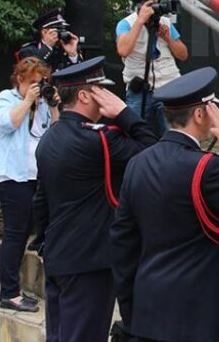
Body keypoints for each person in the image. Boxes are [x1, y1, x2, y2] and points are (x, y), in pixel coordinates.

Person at [111, 67, 219, 342]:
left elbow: (123, 244)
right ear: (200, 114)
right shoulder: (206, 168)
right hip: (195, 316)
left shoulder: (138, 164)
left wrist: (132, 314)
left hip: (147, 312)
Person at [33, 56, 156, 342]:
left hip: (60, 253)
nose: (108, 97)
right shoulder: (97, 140)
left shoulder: (51, 136)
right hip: (90, 260)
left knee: (61, 334)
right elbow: (151, 152)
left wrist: (43, 243)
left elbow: (41, 199)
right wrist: (125, 112)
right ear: (86, 94)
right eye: (101, 90)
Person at [0, 58, 60, 313]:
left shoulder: (43, 103)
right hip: (13, 177)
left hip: (38, 176)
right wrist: (28, 100)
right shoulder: (5, 98)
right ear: (19, 79)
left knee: (41, 231)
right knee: (16, 234)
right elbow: (8, 124)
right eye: (33, 81)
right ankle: (9, 293)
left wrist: (53, 105)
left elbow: (57, 129)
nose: (37, 87)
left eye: (41, 82)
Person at [116, 0, 189, 135]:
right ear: (139, 2)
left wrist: (168, 38)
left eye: (156, 0)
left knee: (174, 133)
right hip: (140, 87)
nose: (154, 4)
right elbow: (123, 50)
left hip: (168, 85)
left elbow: (183, 55)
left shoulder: (165, 23)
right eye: (149, 0)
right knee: (134, 132)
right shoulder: (126, 24)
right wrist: (140, 21)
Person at [15, 8, 81, 72]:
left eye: (63, 30)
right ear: (44, 32)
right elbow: (31, 73)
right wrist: (47, 47)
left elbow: (78, 76)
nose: (61, 33)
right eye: (58, 30)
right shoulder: (28, 51)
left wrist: (72, 55)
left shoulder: (63, 50)